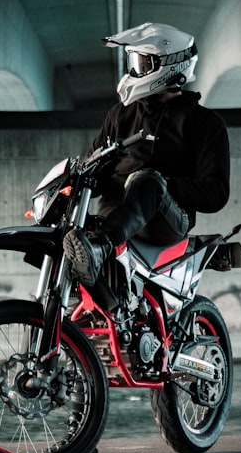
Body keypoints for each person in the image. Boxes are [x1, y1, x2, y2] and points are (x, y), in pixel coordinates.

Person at [63, 22, 231, 285]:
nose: (135, 70)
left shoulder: (204, 123)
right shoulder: (120, 114)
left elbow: (217, 193)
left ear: (170, 65)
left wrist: (165, 185)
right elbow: (93, 168)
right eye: (134, 62)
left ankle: (102, 246)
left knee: (147, 179)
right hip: (112, 219)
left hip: (165, 223)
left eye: (143, 63)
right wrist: (73, 182)